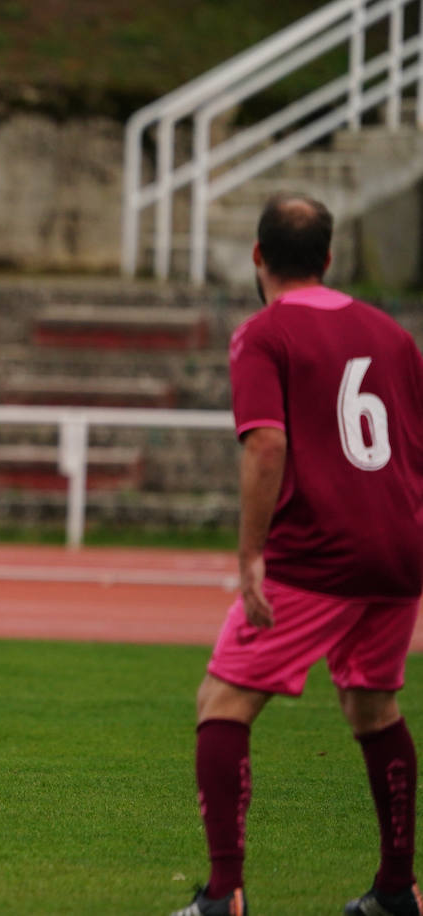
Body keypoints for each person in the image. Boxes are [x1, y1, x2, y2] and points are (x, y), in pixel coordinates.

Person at [173, 194, 423, 916]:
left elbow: (267, 443)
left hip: (319, 552)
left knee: (223, 700)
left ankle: (224, 897)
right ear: (330, 258)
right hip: (398, 551)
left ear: (257, 256)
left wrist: (253, 555)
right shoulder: (394, 335)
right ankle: (397, 888)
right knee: (374, 705)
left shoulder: (265, 333)